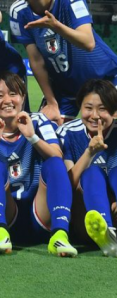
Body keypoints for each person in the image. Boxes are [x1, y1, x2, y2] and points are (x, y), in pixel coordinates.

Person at [0, 71, 76, 257]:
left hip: (39, 213)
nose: (7, 100)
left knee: (54, 164)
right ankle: (0, 235)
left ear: (23, 97)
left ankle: (60, 235)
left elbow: (57, 155)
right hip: (7, 215)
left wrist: (32, 136)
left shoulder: (38, 121)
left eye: (13, 94)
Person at [9, 0, 117, 124]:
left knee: (109, 130)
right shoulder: (18, 12)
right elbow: (36, 61)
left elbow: (88, 43)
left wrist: (55, 26)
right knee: (46, 130)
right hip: (65, 89)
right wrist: (51, 102)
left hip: (106, 78)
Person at [59, 79, 117, 256]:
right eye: (88, 108)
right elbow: (66, 186)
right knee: (91, 173)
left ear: (114, 111)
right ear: (80, 107)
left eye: (102, 108)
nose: (95, 115)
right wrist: (89, 153)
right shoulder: (68, 133)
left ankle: (109, 236)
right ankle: (106, 232)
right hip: (84, 213)